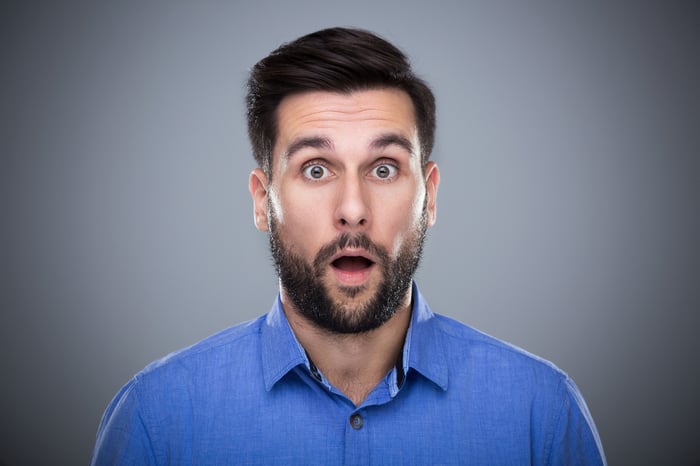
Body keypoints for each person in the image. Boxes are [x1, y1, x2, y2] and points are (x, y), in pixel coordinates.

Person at [90, 27, 606, 465]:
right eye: (316, 169)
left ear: (429, 198)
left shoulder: (541, 412)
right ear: (261, 201)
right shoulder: (158, 417)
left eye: (384, 169)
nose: (353, 208)